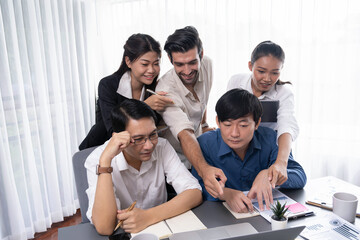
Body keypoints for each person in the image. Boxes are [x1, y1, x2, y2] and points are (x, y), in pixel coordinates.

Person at [85, 99, 202, 235]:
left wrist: (147, 217)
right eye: (139, 139)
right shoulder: (97, 159)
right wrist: (105, 162)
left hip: (161, 229)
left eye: (153, 134)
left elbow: (194, 193)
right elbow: (104, 227)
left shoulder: (161, 146)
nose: (149, 146)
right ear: (118, 138)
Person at [192, 89, 306, 213]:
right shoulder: (204, 144)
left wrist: (268, 175)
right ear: (218, 121)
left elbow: (299, 177)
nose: (234, 133)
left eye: (243, 126)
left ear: (257, 123)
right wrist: (225, 194)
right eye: (227, 125)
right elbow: (195, 187)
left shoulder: (271, 138)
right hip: (220, 216)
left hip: (264, 215)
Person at [155, 26, 227, 198]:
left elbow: (203, 100)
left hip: (200, 150)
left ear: (201, 55)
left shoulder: (207, 64)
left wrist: (203, 124)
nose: (187, 71)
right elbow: (184, 133)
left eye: (192, 62)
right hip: (176, 159)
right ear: (170, 59)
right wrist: (204, 170)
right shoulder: (165, 89)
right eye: (179, 64)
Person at [79, 33, 173, 150]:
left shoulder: (156, 89)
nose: (151, 70)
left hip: (135, 151)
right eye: (144, 64)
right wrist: (145, 106)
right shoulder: (108, 85)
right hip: (100, 148)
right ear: (128, 61)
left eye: (156, 63)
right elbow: (113, 131)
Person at [227, 41, 299, 189]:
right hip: (241, 144)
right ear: (250, 66)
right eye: (261, 71)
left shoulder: (284, 92)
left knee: (296, 178)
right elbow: (228, 112)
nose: (267, 79)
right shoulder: (236, 81)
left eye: (275, 73)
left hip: (270, 147)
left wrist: (280, 163)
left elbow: (286, 126)